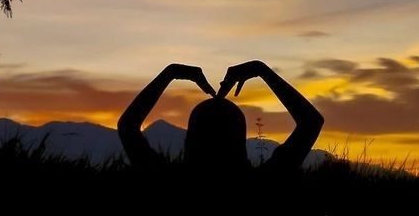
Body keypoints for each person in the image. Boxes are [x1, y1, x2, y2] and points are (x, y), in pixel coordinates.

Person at [116, 60, 324, 173]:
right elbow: (311, 122)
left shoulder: (167, 186)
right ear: (240, 142)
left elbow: (127, 126)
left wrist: (170, 73)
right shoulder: (263, 189)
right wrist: (261, 70)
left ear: (189, 141)